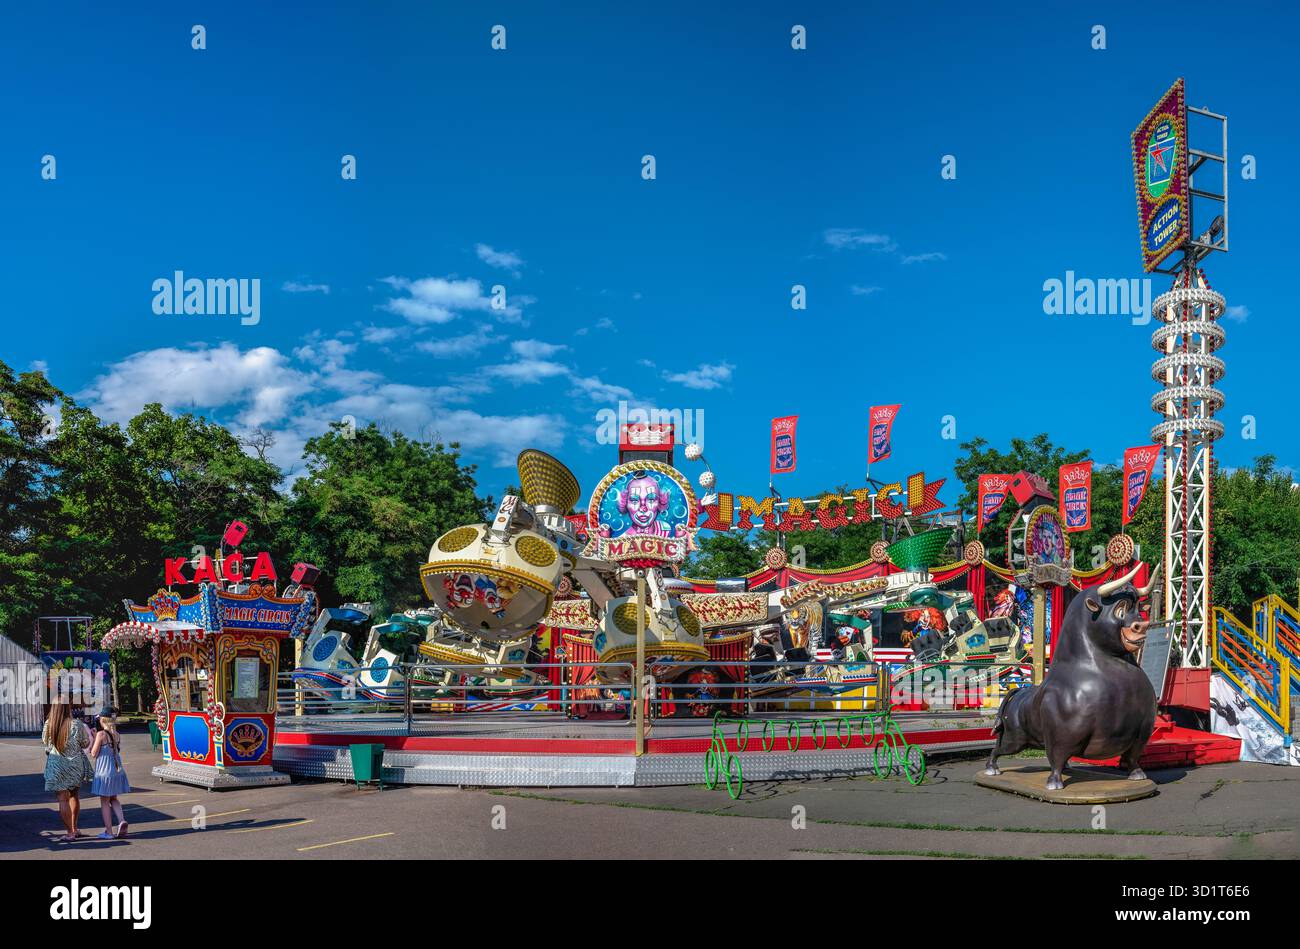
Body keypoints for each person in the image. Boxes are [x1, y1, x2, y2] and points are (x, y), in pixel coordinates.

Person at [41, 702, 93, 842]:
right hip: (75, 764)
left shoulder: (49, 724)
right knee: (74, 796)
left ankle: (69, 832)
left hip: (56, 764)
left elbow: (46, 743)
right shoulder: (76, 724)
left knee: (62, 799)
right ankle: (75, 829)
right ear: (67, 708)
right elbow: (85, 743)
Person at [89, 710, 131, 839]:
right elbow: (116, 750)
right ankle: (121, 820)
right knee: (114, 798)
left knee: (105, 801)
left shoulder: (101, 734)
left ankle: (109, 831)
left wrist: (93, 737)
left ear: (102, 720)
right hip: (116, 770)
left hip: (104, 771)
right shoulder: (117, 734)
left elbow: (93, 753)